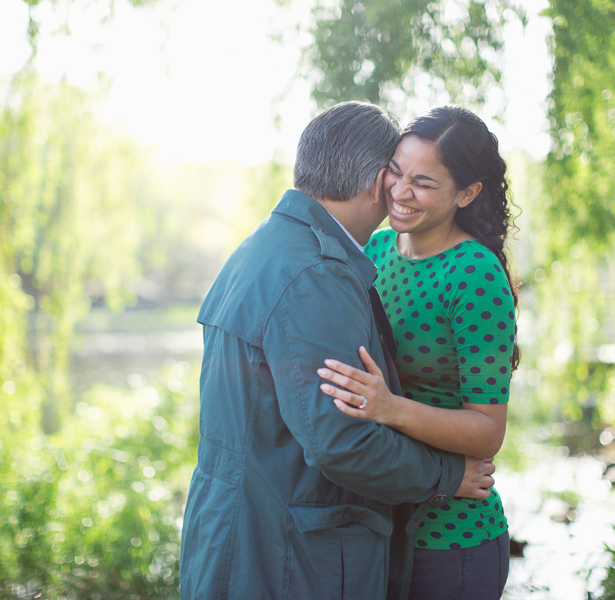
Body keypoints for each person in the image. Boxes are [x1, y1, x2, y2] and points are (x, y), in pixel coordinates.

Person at [178, 101, 497, 600]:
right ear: (375, 183)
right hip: (281, 555)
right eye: (395, 173)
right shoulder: (317, 275)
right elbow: (343, 442)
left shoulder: (264, 245)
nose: (401, 191)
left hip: (237, 534)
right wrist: (446, 473)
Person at [318, 105, 518, 600]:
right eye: (396, 171)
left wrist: (390, 408)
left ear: (467, 193)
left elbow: (488, 432)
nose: (400, 192)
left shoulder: (475, 275)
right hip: (379, 527)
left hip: (450, 542)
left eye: (424, 183)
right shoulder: (375, 250)